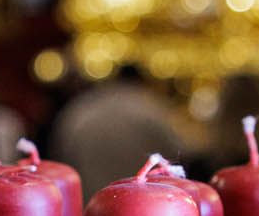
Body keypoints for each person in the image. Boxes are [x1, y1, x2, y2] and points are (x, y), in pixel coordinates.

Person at [51, 62, 185, 195]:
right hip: (142, 203)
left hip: (90, 200)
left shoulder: (82, 108)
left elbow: (61, 151)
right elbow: (177, 150)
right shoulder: (153, 108)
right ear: (140, 81)